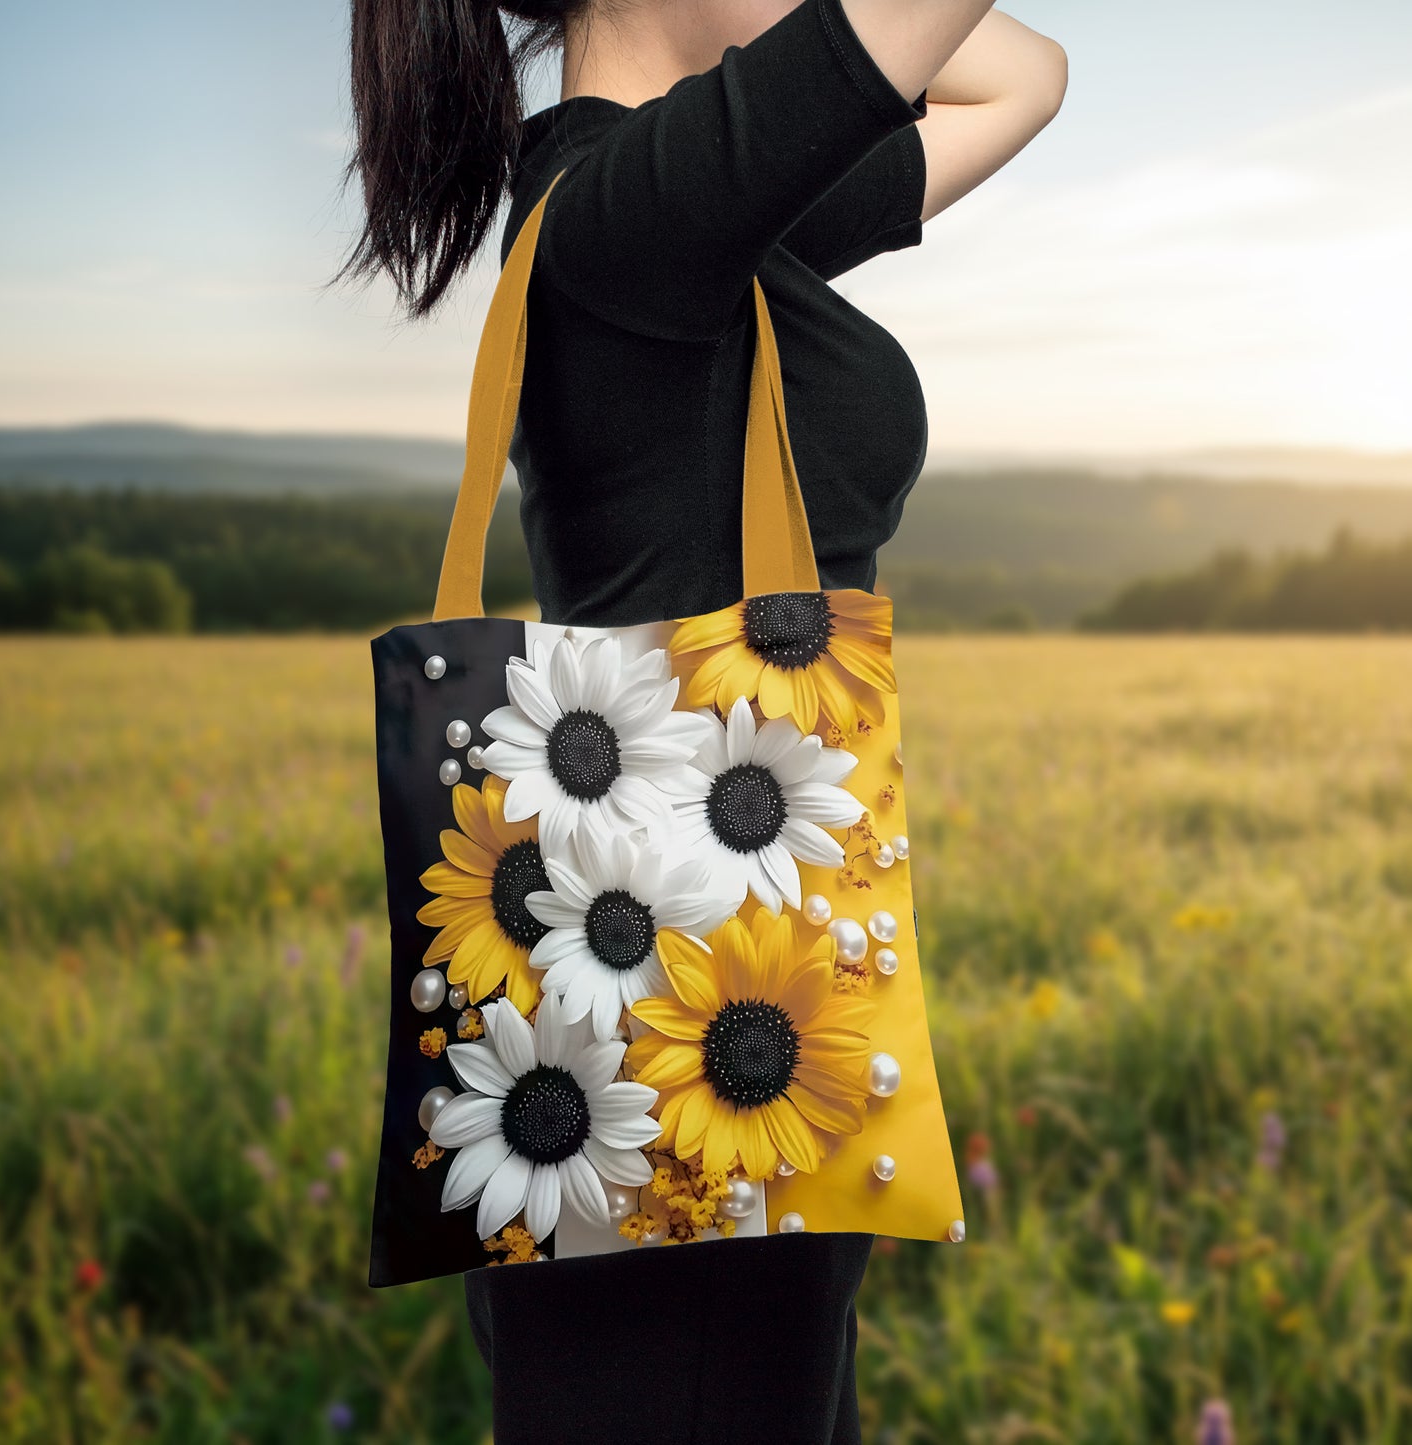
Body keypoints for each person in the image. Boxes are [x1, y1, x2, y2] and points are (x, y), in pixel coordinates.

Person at [334, 0, 1065, 1437]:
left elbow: (1023, 79)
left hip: (729, 1032)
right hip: (688, 1070)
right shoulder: (639, 212)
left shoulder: (701, 213)